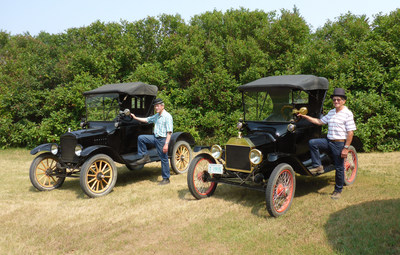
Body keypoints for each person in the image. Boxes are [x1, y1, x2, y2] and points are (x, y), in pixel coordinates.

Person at [298, 88, 356, 200]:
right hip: (328, 141)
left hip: (339, 144)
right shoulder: (332, 112)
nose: (336, 102)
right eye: (334, 100)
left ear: (344, 101)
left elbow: (350, 133)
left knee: (339, 168)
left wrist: (346, 148)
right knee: (313, 143)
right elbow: (319, 122)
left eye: (338, 100)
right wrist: (305, 117)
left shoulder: (347, 114)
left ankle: (338, 190)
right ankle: (318, 166)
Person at [131, 98, 173, 185]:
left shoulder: (167, 116)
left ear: (162, 106)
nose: (156, 108)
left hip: (162, 140)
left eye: (157, 106)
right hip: (155, 137)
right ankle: (145, 156)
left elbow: (169, 132)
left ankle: (166, 179)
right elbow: (147, 120)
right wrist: (135, 118)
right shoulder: (157, 116)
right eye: (155, 106)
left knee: (164, 159)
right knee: (141, 138)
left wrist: (166, 144)